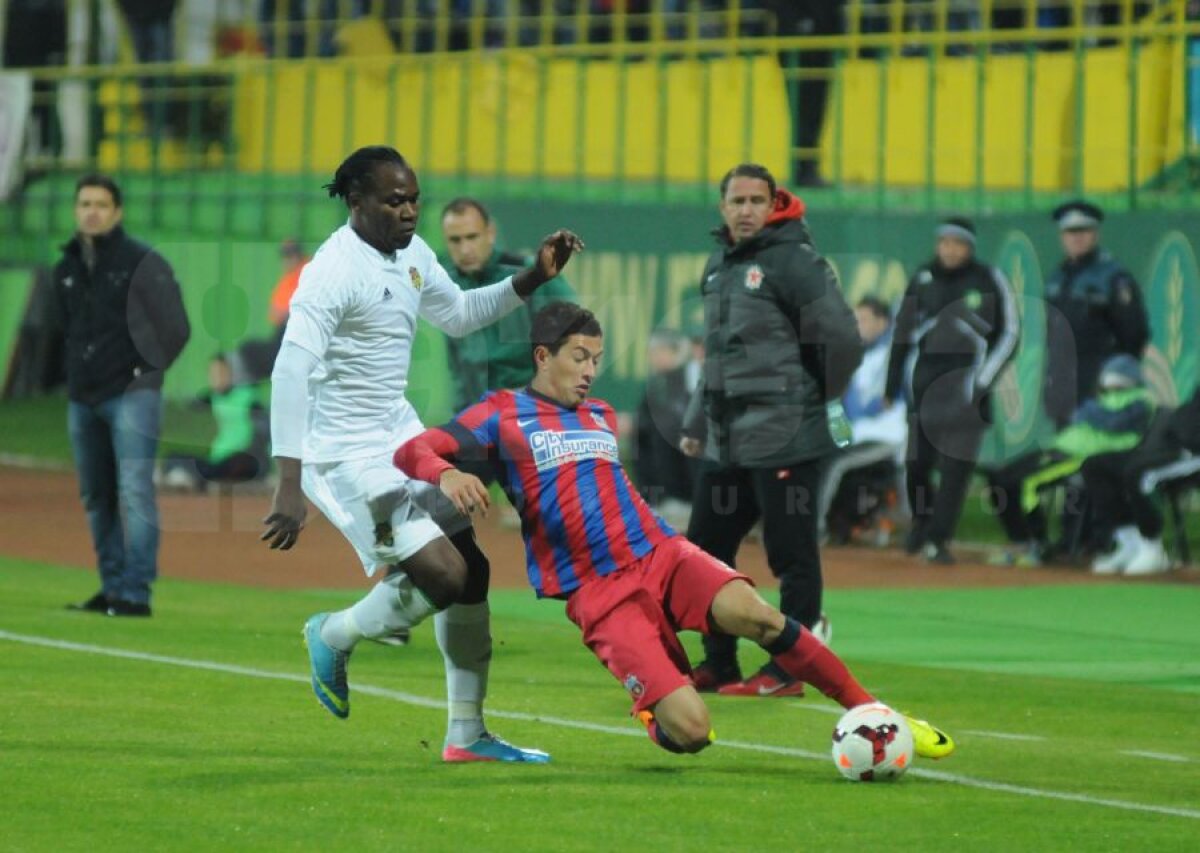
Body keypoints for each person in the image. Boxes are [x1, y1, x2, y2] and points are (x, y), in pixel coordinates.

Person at [395, 301, 954, 761]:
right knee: (691, 733)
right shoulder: (501, 413)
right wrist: (445, 473)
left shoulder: (600, 415)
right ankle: (652, 705)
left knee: (761, 614)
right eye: (578, 357)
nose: (590, 370)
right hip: (599, 591)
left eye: (597, 358)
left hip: (661, 552)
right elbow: (411, 449)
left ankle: (876, 711)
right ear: (543, 357)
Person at [260, 145, 582, 763]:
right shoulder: (333, 271)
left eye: (413, 199)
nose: (408, 211)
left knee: (472, 573)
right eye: (393, 200)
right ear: (356, 203)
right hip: (344, 455)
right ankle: (332, 633)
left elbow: (459, 315)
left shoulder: (409, 252)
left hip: (398, 437)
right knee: (442, 573)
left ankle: (467, 735)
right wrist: (288, 482)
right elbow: (289, 371)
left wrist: (534, 277)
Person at [678, 162, 863, 696]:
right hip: (728, 436)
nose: (746, 211)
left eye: (757, 201)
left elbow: (843, 341)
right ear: (722, 207)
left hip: (786, 435)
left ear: (773, 204)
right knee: (703, 552)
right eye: (736, 202)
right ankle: (720, 662)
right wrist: (695, 421)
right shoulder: (718, 266)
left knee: (791, 554)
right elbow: (716, 356)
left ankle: (790, 670)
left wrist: (815, 395)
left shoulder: (795, 262)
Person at [53, 173, 192, 617]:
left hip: (132, 395)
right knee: (96, 494)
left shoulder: (142, 262)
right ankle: (112, 586)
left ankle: (136, 592)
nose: (91, 211)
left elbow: (175, 328)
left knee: (134, 491)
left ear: (118, 212)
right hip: (82, 396)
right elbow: (66, 330)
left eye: (100, 204)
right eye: (84, 203)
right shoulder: (66, 268)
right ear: (76, 210)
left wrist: (143, 373)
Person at [886, 216, 1018, 565]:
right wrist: (891, 383)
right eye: (944, 242)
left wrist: (982, 382)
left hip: (966, 390)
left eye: (957, 243)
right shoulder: (922, 278)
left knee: (954, 470)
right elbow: (901, 334)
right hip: (924, 388)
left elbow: (1009, 334)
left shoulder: (988, 280)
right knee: (916, 464)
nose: (950, 249)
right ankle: (920, 523)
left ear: (970, 247)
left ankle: (938, 539)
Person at [984, 354, 1155, 567]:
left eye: (1117, 377)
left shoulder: (1141, 402)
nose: (1110, 381)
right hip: (1060, 448)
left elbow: (1112, 423)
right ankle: (1020, 540)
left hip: (1081, 457)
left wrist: (1092, 413)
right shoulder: (1102, 401)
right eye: (1109, 376)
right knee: (1000, 477)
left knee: (1028, 483)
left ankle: (1037, 544)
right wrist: (1094, 412)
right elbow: (1083, 416)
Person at [439, 197, 577, 414]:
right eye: (455, 240)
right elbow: (457, 363)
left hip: (531, 412)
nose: (465, 249)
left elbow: (576, 335)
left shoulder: (530, 275)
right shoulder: (445, 283)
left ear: (490, 233)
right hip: (474, 417)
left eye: (472, 237)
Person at [1043, 200, 1150, 428]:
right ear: (1062, 236)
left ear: (1095, 233)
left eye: (1083, 230)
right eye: (1070, 231)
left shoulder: (1113, 278)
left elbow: (1134, 334)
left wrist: (1114, 380)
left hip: (1099, 388)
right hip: (1064, 388)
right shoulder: (1058, 278)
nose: (1077, 237)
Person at [818, 295, 908, 545]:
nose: (858, 325)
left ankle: (813, 531)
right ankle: (839, 526)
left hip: (887, 435)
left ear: (883, 322)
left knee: (833, 464)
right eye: (856, 319)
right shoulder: (861, 355)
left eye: (864, 319)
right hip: (859, 434)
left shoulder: (894, 351)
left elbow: (887, 398)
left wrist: (868, 405)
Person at [1082, 387, 1200, 576]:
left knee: (1139, 473)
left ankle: (1152, 548)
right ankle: (1130, 543)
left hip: (1193, 453)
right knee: (1095, 466)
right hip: (1172, 444)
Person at [160, 352, 269, 491]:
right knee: (173, 457)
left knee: (239, 464)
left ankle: (196, 476)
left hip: (243, 458)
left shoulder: (248, 397)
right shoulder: (213, 396)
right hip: (218, 459)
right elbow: (189, 404)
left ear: (232, 373)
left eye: (221, 373)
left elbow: (262, 434)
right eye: (213, 374)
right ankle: (196, 476)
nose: (217, 378)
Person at [634, 328, 697, 525]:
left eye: (658, 351)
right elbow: (644, 422)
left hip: (684, 486)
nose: (653, 357)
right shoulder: (655, 383)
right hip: (656, 490)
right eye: (651, 353)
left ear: (674, 352)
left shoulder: (690, 378)